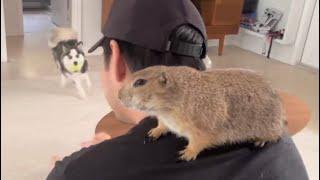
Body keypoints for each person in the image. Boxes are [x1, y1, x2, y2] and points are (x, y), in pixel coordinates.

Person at [47, 0, 309, 179]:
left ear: (116, 62)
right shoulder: (279, 141)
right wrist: (120, 149)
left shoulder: (78, 173)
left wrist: (101, 159)